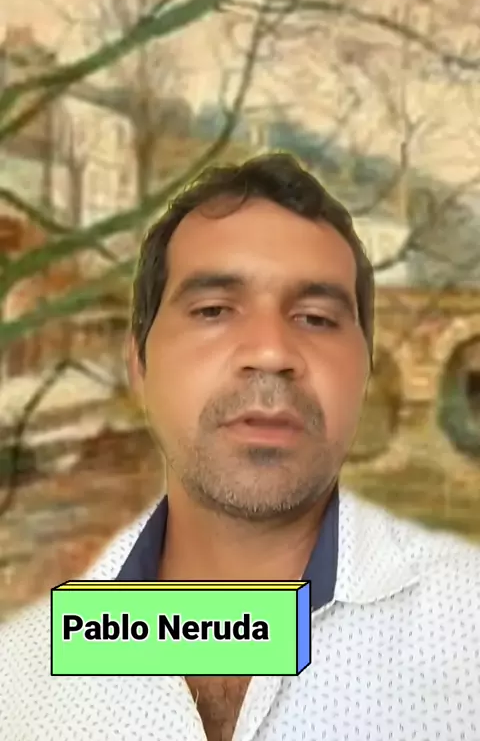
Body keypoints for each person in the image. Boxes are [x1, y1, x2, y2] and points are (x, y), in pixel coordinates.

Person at [1, 152, 479, 741]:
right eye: (214, 311)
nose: (271, 351)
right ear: (139, 367)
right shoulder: (18, 685)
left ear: (365, 371)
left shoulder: (467, 635)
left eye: (316, 317)